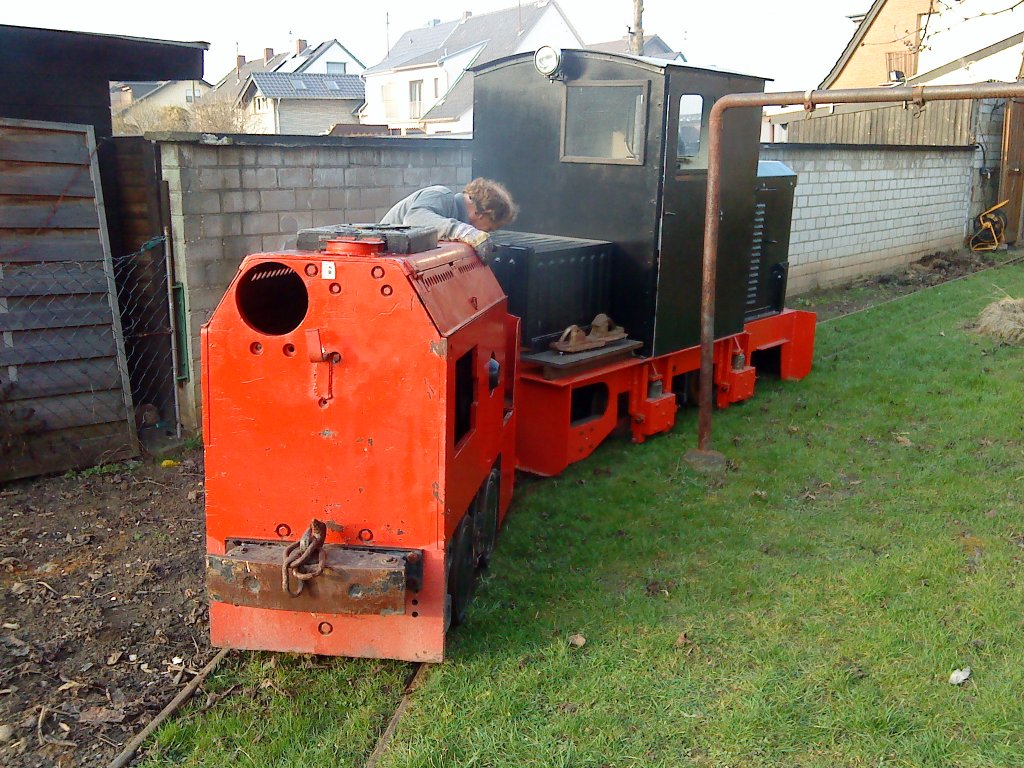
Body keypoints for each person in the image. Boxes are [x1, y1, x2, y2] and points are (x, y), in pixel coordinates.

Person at [380, 178, 518, 260]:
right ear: (486, 213)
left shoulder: (451, 214)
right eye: (490, 228)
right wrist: (466, 232)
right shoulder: (441, 194)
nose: (486, 232)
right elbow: (414, 219)